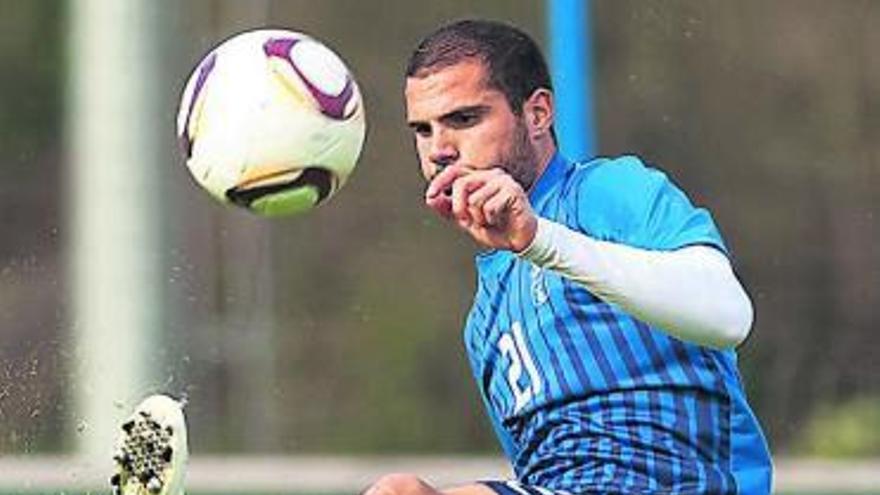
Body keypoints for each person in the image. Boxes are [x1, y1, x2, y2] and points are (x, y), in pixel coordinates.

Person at [364, 19, 773, 495]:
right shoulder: (485, 322)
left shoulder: (610, 191)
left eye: (464, 119)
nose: (439, 150)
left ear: (537, 113)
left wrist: (542, 240)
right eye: (423, 130)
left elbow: (729, 316)